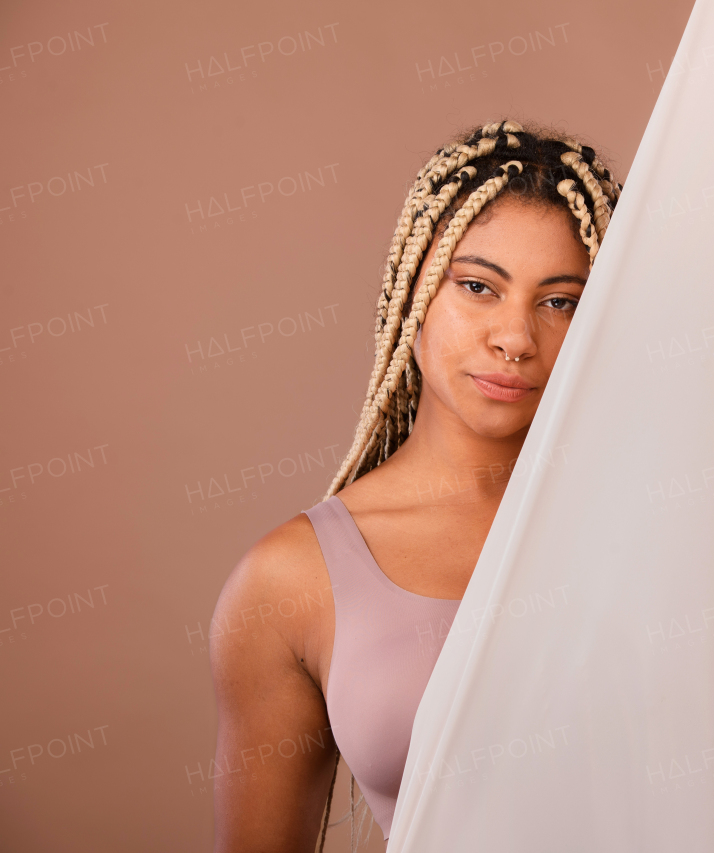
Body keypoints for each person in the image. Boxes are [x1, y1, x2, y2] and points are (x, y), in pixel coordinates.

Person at [209, 120, 621, 851]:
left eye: (560, 300)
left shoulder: (651, 524)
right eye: (477, 286)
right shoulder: (291, 578)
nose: (516, 336)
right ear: (413, 293)